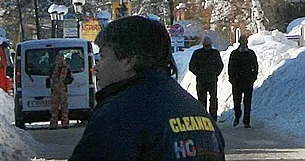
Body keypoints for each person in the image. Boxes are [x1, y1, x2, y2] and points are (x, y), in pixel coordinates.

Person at [69, 15, 224, 161]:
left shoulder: (120, 114)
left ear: (129, 61)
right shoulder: (197, 111)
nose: (96, 67)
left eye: (102, 56)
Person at [227, 31, 260, 128]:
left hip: (248, 81)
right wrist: (232, 78)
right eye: (242, 41)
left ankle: (246, 121)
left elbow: (255, 66)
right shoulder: (234, 54)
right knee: (236, 101)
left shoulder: (250, 54)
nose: (244, 43)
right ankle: (237, 116)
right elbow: (230, 67)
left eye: (245, 41)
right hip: (237, 81)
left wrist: (254, 77)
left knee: (247, 101)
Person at [188, 33, 224, 119]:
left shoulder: (199, 53)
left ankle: (208, 116)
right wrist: (214, 73)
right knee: (207, 98)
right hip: (207, 79)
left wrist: (200, 73)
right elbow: (192, 66)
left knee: (208, 99)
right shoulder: (213, 53)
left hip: (206, 79)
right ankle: (210, 116)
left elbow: (220, 65)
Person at [46, 49, 76, 129]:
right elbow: (49, 75)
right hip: (54, 92)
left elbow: (71, 78)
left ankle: (65, 123)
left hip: (63, 91)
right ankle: (53, 124)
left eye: (61, 58)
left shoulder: (66, 68)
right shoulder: (53, 67)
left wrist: (65, 81)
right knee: (53, 109)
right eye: (58, 59)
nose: (59, 60)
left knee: (64, 108)